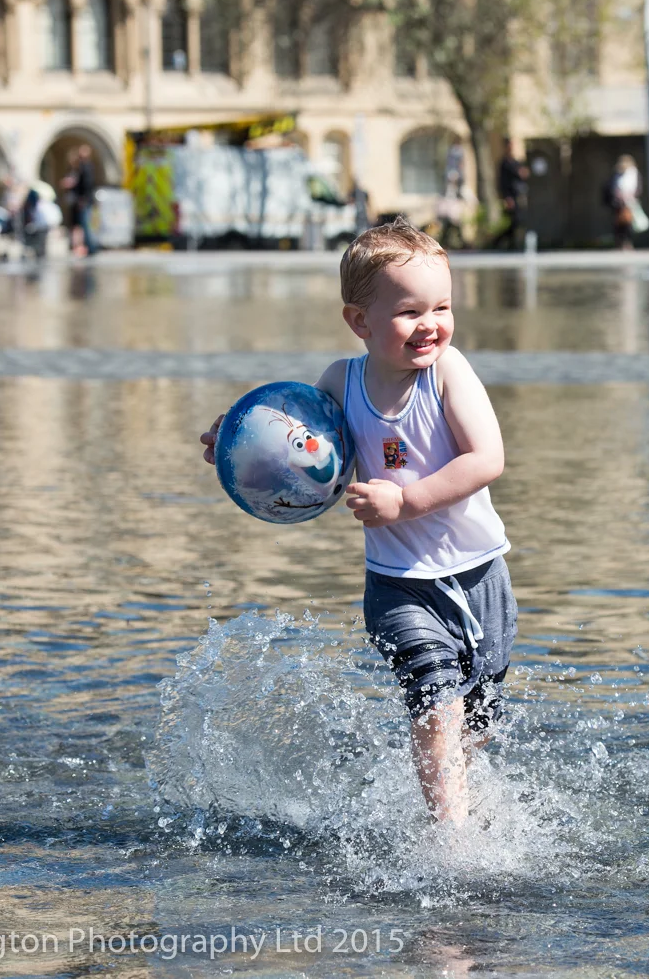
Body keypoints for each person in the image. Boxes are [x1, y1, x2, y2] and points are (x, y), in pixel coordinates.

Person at [198, 219, 515, 827]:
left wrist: (408, 500)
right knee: (434, 702)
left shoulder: (449, 373)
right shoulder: (341, 383)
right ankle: (450, 842)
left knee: (477, 718)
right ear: (359, 321)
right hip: (397, 584)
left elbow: (487, 459)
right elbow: (293, 438)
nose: (431, 325)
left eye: (442, 307)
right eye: (409, 312)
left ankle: (466, 807)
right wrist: (238, 443)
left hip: (480, 578)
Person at [490, 137, 528, 250]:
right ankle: (498, 241)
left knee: (517, 221)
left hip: (518, 195)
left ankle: (510, 244)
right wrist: (507, 197)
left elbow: (522, 175)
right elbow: (502, 182)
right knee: (514, 221)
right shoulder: (504, 163)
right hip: (510, 197)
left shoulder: (516, 162)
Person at [606, 154, 643, 250]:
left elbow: (638, 188)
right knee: (618, 224)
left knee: (628, 224)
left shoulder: (634, 174)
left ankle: (628, 243)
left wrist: (631, 196)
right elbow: (611, 187)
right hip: (618, 203)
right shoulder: (616, 174)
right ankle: (619, 243)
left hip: (630, 202)